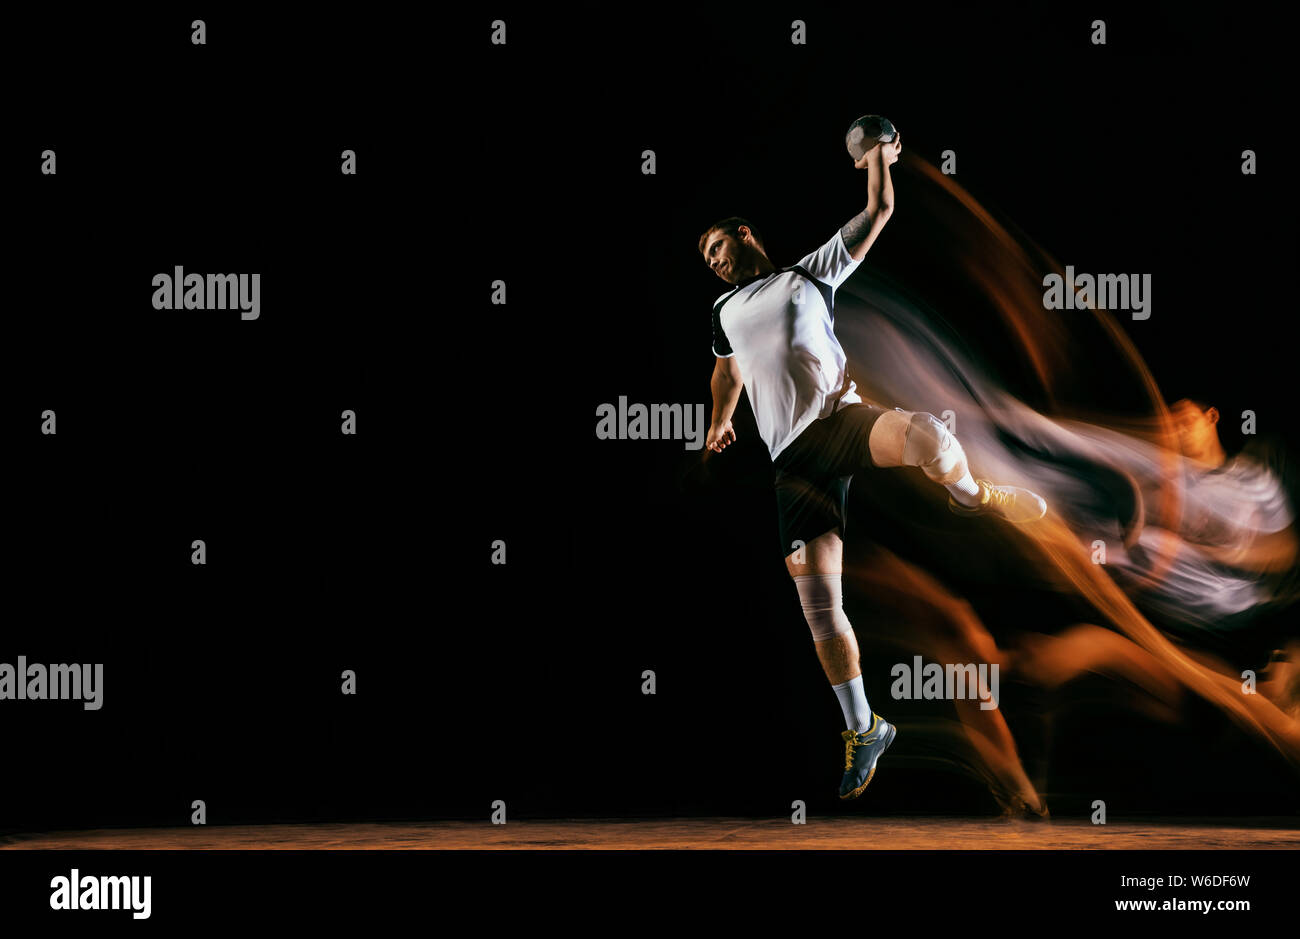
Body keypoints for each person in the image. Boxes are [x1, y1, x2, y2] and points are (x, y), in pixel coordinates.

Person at [699, 131, 1048, 800]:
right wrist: (718, 420)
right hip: (792, 461)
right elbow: (725, 370)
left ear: (745, 235)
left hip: (841, 419)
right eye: (707, 258)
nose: (714, 262)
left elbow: (879, 212)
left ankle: (973, 495)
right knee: (819, 605)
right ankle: (865, 727)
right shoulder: (722, 311)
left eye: (717, 246)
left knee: (926, 436)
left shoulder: (809, 272)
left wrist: (878, 160)